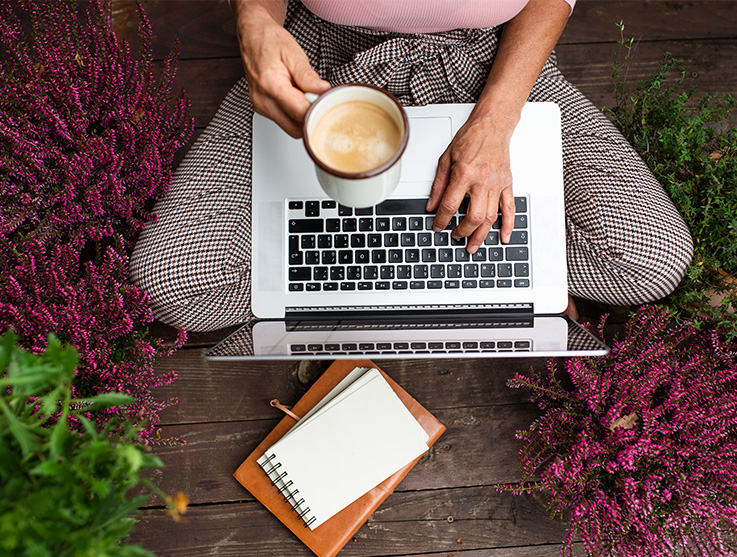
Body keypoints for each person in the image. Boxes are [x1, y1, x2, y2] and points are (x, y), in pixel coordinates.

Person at [129, 0, 693, 332]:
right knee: (170, 286)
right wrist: (254, 18)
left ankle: (399, 277)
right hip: (319, 49)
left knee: (652, 262)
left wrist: (496, 122)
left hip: (492, 54)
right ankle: (452, 278)